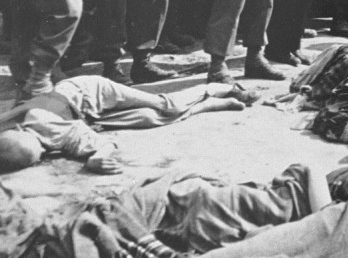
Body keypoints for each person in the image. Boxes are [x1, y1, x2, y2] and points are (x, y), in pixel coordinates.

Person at [0, 75, 248, 174]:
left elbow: (104, 145)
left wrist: (97, 158)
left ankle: (217, 88)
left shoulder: (54, 132)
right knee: (150, 118)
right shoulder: (9, 127)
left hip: (92, 90)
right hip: (89, 114)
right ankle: (209, 105)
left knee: (166, 106)